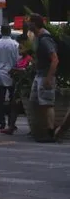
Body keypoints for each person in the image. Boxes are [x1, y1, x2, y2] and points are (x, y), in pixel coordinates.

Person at [28, 14, 59, 142]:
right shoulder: (38, 37)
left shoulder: (45, 39)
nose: (28, 24)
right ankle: (41, 129)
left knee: (47, 104)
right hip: (39, 74)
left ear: (34, 24)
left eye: (29, 22)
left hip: (45, 75)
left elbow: (55, 59)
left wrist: (49, 78)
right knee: (35, 102)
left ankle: (50, 132)